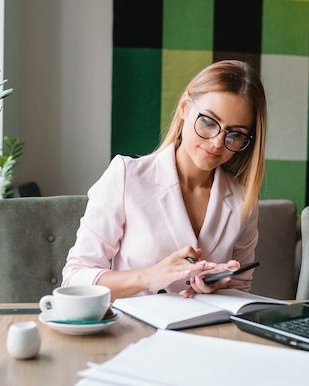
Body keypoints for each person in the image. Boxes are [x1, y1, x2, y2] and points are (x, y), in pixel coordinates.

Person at [62, 60, 267, 300]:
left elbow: (241, 286)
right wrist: (150, 276)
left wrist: (217, 285)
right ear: (184, 108)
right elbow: (75, 276)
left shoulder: (244, 200)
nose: (217, 142)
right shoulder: (126, 176)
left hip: (206, 332)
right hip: (134, 330)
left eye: (235, 134)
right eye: (209, 122)